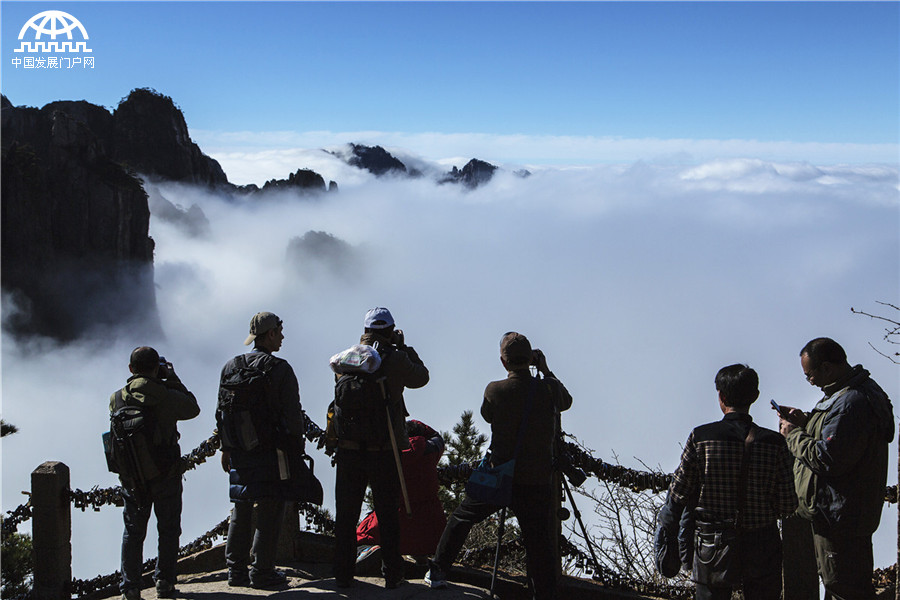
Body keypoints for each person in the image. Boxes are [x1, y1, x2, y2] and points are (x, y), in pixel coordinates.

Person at [426, 332, 572, 600]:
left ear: (503, 362)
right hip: (536, 480)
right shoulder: (548, 389)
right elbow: (566, 402)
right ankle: (544, 594)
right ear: (530, 359)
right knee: (539, 542)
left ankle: (437, 571)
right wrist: (546, 370)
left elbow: (487, 414)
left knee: (462, 517)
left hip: (497, 475)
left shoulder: (495, 390)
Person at [656, 364, 797, 600]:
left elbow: (679, 492)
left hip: (712, 544)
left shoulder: (701, 437)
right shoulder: (774, 443)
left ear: (721, 397)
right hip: (762, 544)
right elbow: (787, 505)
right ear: (755, 396)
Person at [778, 338, 894, 600]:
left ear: (827, 368)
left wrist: (793, 435)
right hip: (848, 514)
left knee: (842, 587)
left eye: (810, 375)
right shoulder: (859, 392)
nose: (810, 382)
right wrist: (808, 423)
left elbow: (828, 457)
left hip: (839, 516)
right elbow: (841, 441)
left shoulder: (850, 403)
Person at [333, 307, 429, 589]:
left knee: (346, 513)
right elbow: (421, 377)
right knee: (388, 512)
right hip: (383, 448)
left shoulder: (347, 358)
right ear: (390, 330)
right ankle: (392, 574)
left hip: (349, 449)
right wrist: (404, 347)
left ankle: (343, 574)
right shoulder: (395, 358)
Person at [219, 312, 306, 589]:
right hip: (272, 450)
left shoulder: (231, 366)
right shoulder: (280, 369)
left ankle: (236, 571)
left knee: (241, 507)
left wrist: (226, 447)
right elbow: (293, 417)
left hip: (240, 449)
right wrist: (296, 448)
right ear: (270, 334)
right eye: (279, 331)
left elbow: (221, 411)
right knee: (271, 506)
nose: (282, 336)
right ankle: (262, 571)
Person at [113, 346, 200, 600]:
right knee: (169, 528)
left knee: (133, 531)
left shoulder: (116, 398)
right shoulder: (165, 396)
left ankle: (130, 587)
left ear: (131, 369)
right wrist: (172, 379)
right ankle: (164, 582)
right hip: (165, 474)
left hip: (132, 477)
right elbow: (192, 409)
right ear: (156, 368)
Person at [356, 419, 448, 559]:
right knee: (428, 522)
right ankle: (420, 554)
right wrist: (416, 424)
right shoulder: (431, 450)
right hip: (429, 529)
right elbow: (437, 437)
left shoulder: (388, 454)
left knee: (364, 532)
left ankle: (367, 549)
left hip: (395, 523)